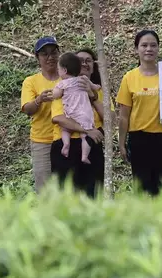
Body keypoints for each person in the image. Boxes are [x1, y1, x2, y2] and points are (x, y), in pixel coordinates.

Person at [117, 30, 162, 196]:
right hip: (139, 139)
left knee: (161, 183)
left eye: (153, 45)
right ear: (136, 48)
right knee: (141, 185)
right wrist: (121, 142)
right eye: (144, 45)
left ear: (158, 48)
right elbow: (124, 115)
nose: (148, 49)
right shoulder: (129, 78)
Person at [50, 48, 108, 198]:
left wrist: (92, 95)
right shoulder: (63, 87)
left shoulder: (100, 91)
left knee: (93, 195)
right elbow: (58, 118)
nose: (84, 64)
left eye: (88, 60)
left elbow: (110, 119)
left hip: (92, 145)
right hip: (66, 147)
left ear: (93, 65)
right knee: (66, 196)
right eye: (80, 61)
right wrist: (87, 130)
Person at [20, 36, 61, 192]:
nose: (50, 57)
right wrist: (39, 100)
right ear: (37, 58)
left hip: (68, 138)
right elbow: (27, 109)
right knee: (44, 188)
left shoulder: (67, 78)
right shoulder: (31, 81)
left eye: (53, 53)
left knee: (68, 186)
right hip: (42, 140)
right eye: (44, 54)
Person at [52, 52, 100, 164]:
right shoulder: (83, 79)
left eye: (58, 69)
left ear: (64, 70)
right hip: (84, 113)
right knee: (85, 136)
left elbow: (56, 95)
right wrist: (96, 87)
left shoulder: (62, 84)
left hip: (70, 113)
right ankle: (84, 156)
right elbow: (94, 86)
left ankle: (66, 144)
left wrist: (53, 91)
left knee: (65, 130)